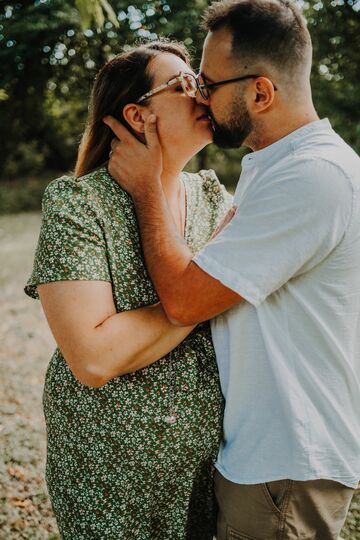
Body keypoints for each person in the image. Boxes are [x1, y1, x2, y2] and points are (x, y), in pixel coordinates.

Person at [103, 1, 360, 539]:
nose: (198, 93)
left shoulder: (311, 177)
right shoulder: (279, 166)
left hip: (287, 459)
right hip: (270, 455)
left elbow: (185, 300)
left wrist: (147, 185)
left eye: (209, 82)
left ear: (260, 93)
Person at [25, 40, 233, 539]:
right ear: (139, 116)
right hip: (111, 469)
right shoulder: (78, 204)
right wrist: (202, 293)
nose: (204, 93)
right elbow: (93, 358)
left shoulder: (212, 196)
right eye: (185, 85)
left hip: (217, 463)